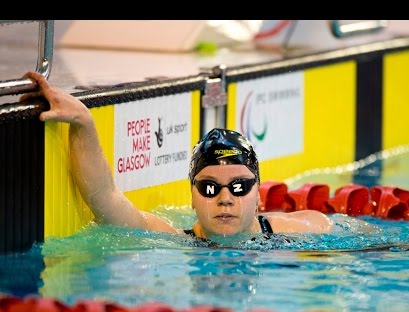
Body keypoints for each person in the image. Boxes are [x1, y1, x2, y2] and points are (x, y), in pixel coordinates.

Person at [22, 71, 372, 242]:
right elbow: (105, 199)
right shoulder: (174, 239)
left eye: (239, 187)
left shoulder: (304, 228)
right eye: (209, 188)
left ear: (259, 192)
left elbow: (367, 237)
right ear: (191, 195)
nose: (224, 199)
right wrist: (84, 122)